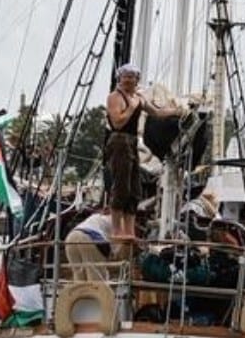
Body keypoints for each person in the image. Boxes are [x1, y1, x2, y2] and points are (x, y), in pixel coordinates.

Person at [105, 63, 182, 248]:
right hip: (119, 140)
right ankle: (117, 230)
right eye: (125, 77)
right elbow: (117, 122)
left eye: (131, 77)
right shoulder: (115, 97)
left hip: (132, 142)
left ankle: (129, 231)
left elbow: (156, 112)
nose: (128, 80)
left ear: (137, 79)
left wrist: (178, 111)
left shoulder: (138, 98)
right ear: (119, 78)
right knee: (121, 186)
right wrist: (131, 108)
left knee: (134, 189)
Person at [65, 212, 114, 283]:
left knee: (79, 278)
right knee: (96, 279)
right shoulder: (118, 221)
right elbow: (115, 252)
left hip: (71, 237)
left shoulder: (97, 217)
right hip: (90, 237)